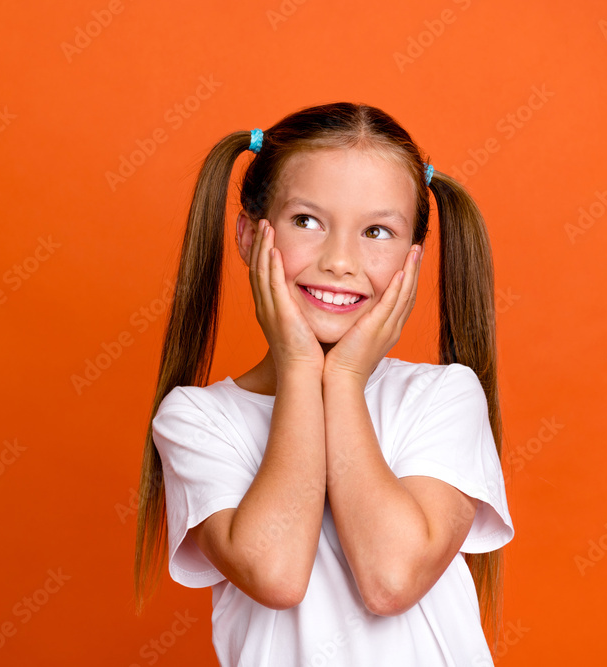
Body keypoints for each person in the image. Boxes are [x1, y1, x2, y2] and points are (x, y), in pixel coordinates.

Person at [133, 102, 514, 666]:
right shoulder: (196, 419)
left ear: (412, 261)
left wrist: (344, 378)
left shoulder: (442, 396)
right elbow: (276, 573)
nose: (340, 261)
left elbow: (391, 579)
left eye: (376, 231)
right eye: (307, 221)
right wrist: (298, 367)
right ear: (248, 235)